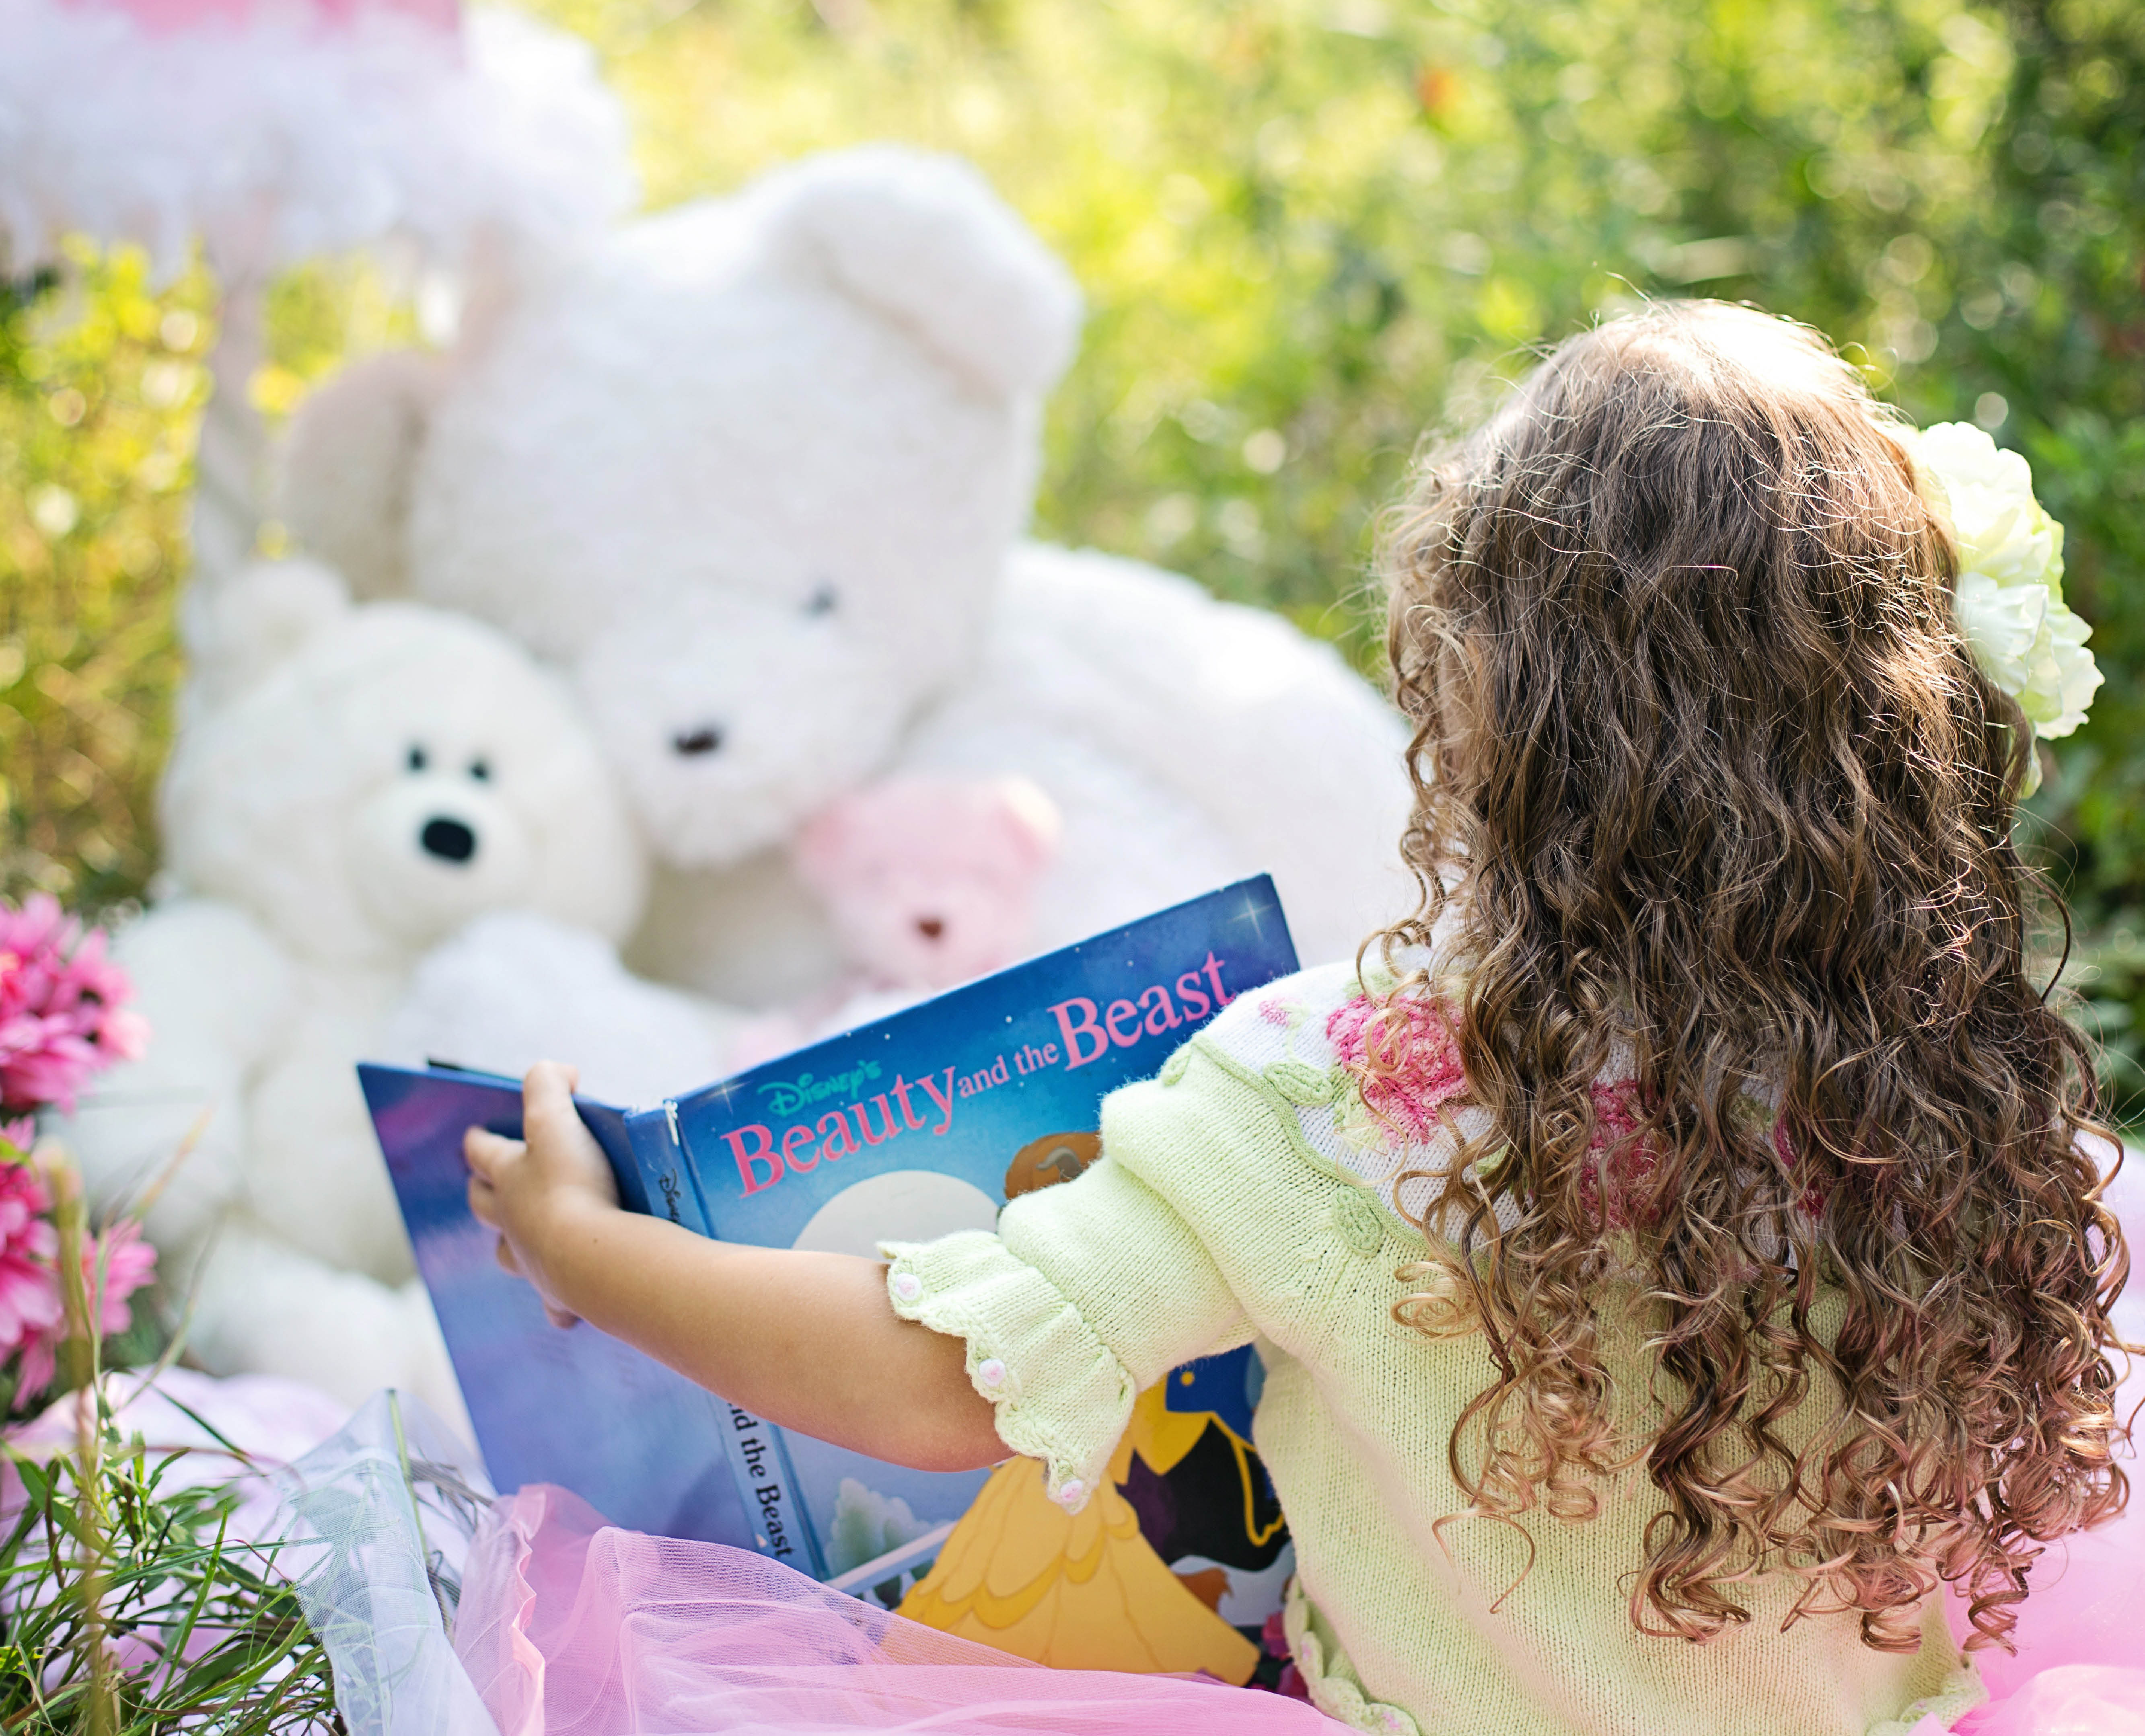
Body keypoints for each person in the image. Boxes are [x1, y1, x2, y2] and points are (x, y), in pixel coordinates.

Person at [464, 301, 2139, 1736]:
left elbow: (940, 1382)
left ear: (1481, 702)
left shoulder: (1343, 1100)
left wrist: (584, 1248)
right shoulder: (1948, 1089)